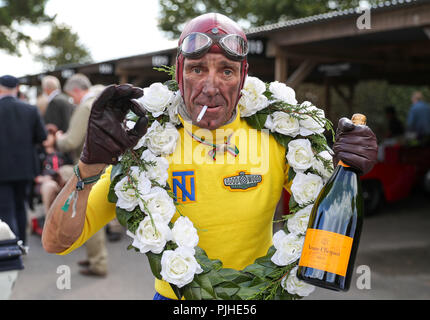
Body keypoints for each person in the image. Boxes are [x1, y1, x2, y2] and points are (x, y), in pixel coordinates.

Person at [41, 13, 378, 299]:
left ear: (243, 77)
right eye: (198, 69)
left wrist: (345, 165)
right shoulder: (146, 148)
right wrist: (88, 164)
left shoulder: (281, 138)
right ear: (178, 72)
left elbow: (328, 218)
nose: (211, 85)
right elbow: (56, 243)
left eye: (227, 71)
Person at [53, 74, 109, 277]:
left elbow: (71, 141)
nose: (72, 100)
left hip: (88, 167)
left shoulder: (86, 106)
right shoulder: (101, 101)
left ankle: (98, 262)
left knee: (87, 212)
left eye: (71, 96)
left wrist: (58, 139)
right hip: (104, 164)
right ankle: (95, 256)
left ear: (77, 91)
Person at [0, 75, 47, 246]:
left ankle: (9, 247)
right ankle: (21, 244)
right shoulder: (30, 110)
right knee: (21, 206)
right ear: (17, 88)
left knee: (5, 209)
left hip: (2, 169)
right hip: (25, 168)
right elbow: (41, 137)